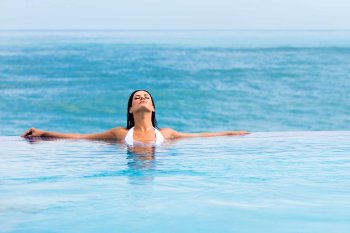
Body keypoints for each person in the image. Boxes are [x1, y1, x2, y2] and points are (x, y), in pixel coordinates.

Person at [21, 90, 249, 146]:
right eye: (137, 98)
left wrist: (232, 133)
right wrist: (43, 133)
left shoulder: (166, 134)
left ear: (152, 107)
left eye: (146, 97)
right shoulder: (120, 133)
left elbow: (199, 136)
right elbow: (82, 137)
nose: (141, 99)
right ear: (130, 109)